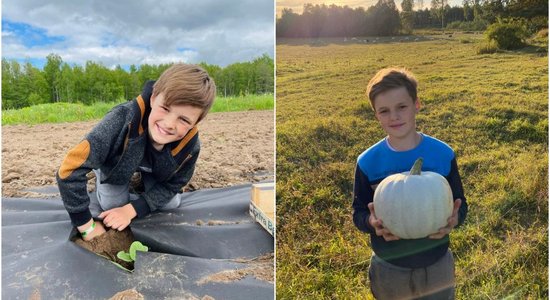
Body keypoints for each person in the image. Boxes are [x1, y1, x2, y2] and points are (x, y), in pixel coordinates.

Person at [57, 63, 216, 241]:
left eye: (184, 119)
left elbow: (174, 185)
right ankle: (101, 167)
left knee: (172, 203)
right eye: (165, 108)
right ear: (153, 98)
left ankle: (144, 177)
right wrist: (86, 227)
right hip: (117, 162)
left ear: (196, 122)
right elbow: (68, 170)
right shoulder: (120, 120)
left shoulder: (190, 146)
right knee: (112, 204)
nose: (169, 124)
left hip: (156, 169)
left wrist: (131, 210)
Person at [352, 67, 467, 299]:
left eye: (401, 107)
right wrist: (371, 221)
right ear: (376, 115)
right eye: (384, 111)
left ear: (416, 105)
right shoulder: (368, 162)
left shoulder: (442, 154)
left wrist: (456, 218)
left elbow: (460, 203)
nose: (394, 116)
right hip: (389, 265)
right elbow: (358, 212)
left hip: (436, 263)